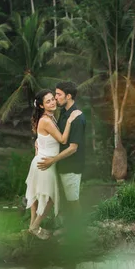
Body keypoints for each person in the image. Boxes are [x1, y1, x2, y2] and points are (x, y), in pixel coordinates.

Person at [25, 89, 82, 240]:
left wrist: (38, 143)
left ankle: (32, 227)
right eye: (48, 101)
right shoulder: (46, 120)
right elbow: (63, 140)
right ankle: (34, 226)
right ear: (42, 106)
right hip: (45, 163)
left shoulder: (50, 118)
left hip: (43, 161)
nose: (52, 102)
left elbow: (42, 138)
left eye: (53, 99)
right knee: (48, 198)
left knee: (39, 195)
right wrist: (70, 121)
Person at [37, 82, 86, 236]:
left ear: (68, 96)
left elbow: (73, 147)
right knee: (60, 198)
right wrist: (39, 140)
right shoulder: (64, 113)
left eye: (58, 94)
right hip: (61, 165)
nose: (55, 97)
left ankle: (79, 232)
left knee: (73, 200)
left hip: (71, 165)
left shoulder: (77, 117)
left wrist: (52, 160)